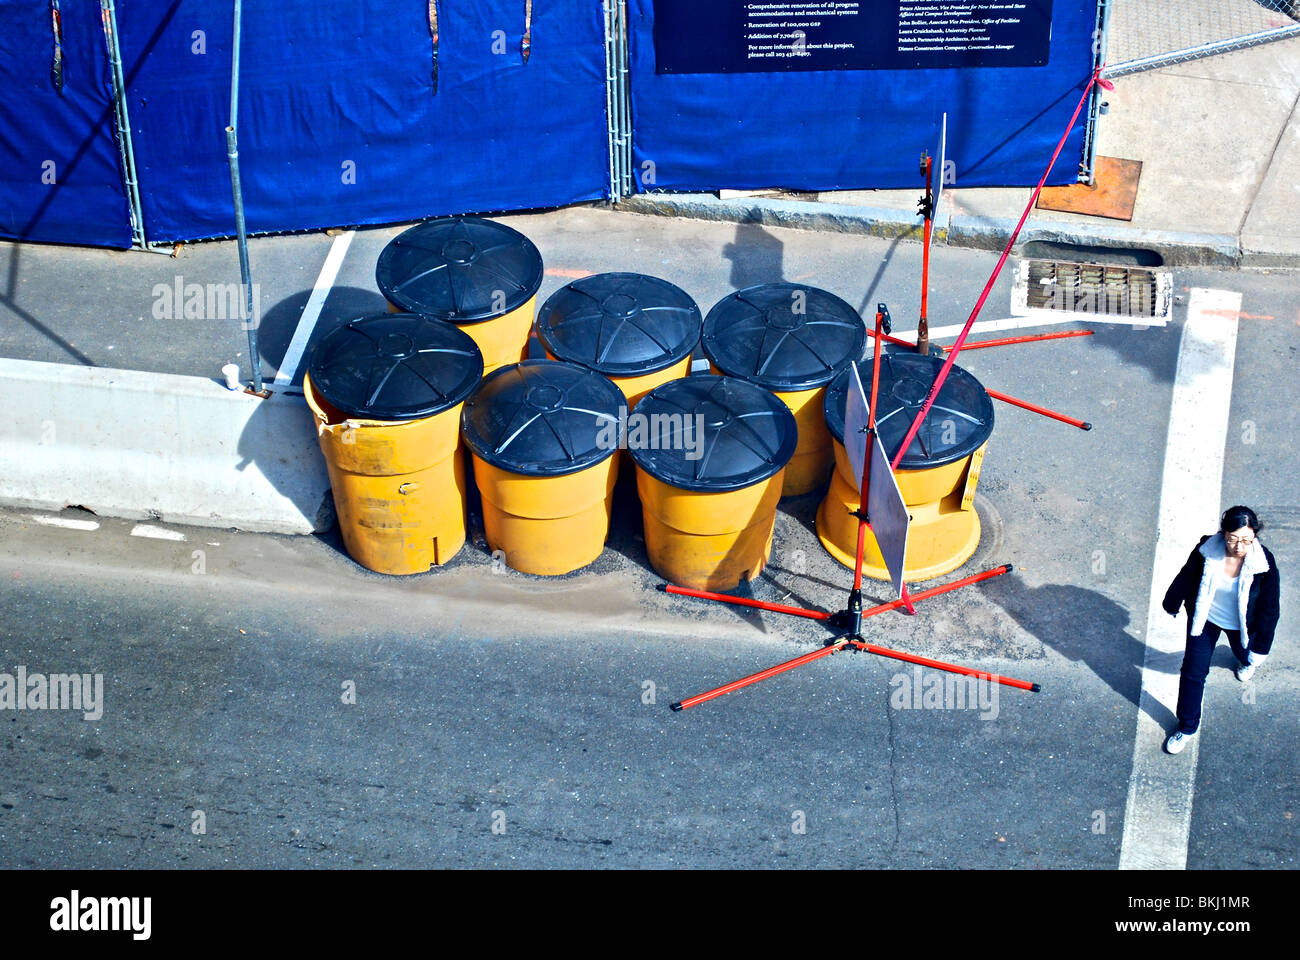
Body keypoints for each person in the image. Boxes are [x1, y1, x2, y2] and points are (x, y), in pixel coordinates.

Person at [1161, 506, 1281, 754]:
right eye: (1233, 539)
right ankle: (1187, 726)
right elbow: (1187, 575)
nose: (1239, 546)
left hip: (1241, 626)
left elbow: (1270, 609)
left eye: (1247, 540)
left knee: (1245, 654)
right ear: (1223, 534)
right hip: (1206, 621)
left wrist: (1261, 649)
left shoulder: (1264, 562)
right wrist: (1172, 602)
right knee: (1193, 673)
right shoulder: (1207, 549)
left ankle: (1246, 660)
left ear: (1255, 537)